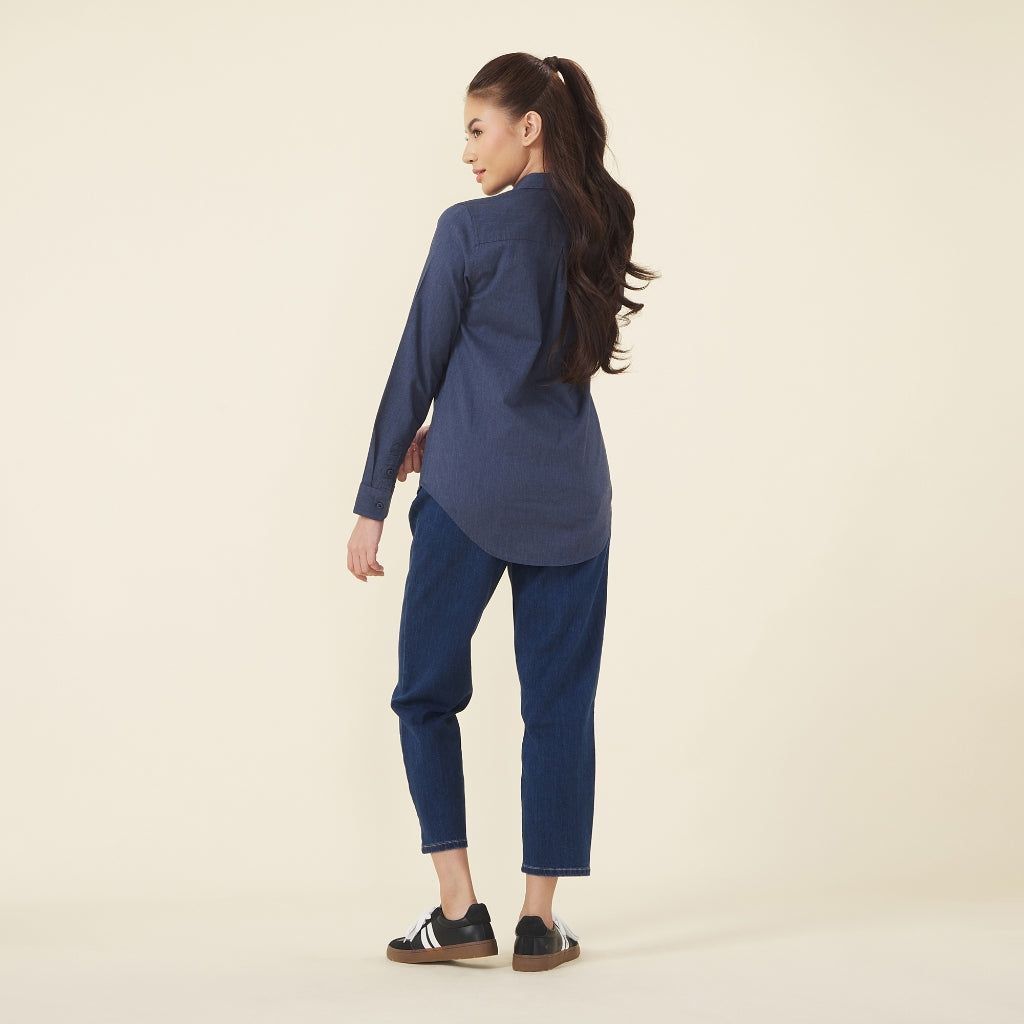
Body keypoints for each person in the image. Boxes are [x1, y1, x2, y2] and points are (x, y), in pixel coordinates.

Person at [347, 52, 658, 972]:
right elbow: (533, 357)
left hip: (468, 495)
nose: (467, 152)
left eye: (477, 129)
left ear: (529, 127)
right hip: (572, 501)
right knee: (560, 708)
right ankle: (538, 921)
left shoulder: (468, 230)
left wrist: (372, 501)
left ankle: (458, 910)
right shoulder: (605, 219)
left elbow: (418, 364)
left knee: (424, 693)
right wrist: (453, 419)